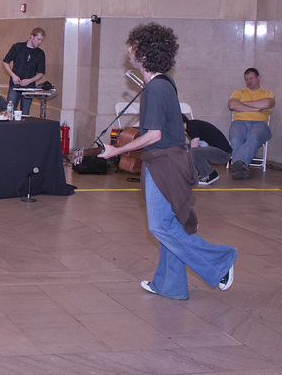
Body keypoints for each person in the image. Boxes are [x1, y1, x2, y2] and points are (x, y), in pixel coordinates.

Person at [98, 22, 237, 299]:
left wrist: (116, 151)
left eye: (134, 46)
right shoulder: (161, 83)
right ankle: (170, 285)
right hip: (165, 161)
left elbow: (154, 135)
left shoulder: (156, 89)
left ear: (146, 55)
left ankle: (220, 261)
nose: (129, 50)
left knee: (161, 226)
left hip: (164, 163)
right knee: (168, 226)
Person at [227, 67, 274, 180]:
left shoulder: (267, 93)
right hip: (239, 122)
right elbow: (232, 105)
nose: (249, 81)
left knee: (253, 138)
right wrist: (255, 108)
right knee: (236, 139)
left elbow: (267, 104)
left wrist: (244, 104)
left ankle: (239, 163)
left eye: (252, 78)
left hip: (259, 124)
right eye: (247, 79)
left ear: (258, 78)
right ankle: (241, 167)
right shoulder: (238, 92)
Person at [2, 27, 46, 115]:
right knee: (10, 110)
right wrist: (13, 75)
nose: (39, 42)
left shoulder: (40, 53)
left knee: (25, 113)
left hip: (29, 87)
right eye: (38, 39)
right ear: (32, 36)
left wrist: (30, 80)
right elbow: (5, 62)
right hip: (15, 85)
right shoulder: (17, 47)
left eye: (41, 40)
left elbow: (41, 73)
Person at [182, 116, 228, 186]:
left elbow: (194, 149)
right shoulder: (191, 125)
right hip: (215, 150)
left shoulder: (191, 126)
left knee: (193, 151)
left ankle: (210, 174)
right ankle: (202, 173)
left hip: (223, 153)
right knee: (184, 147)